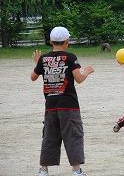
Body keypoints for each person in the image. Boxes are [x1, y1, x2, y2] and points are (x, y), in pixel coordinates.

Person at [31, 26, 94, 176]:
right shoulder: (70, 57)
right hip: (69, 105)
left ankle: (43, 170)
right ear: (66, 41)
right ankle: (76, 170)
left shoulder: (44, 58)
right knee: (73, 135)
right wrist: (87, 71)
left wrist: (38, 63)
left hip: (50, 105)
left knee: (49, 137)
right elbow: (78, 78)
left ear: (51, 41)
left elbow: (33, 77)